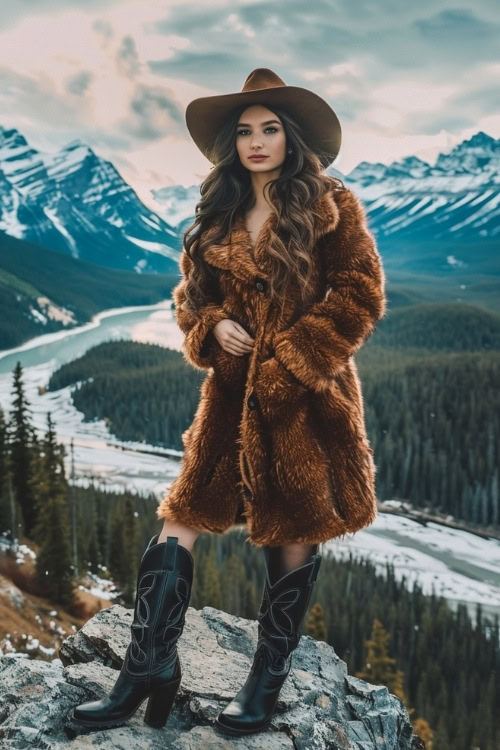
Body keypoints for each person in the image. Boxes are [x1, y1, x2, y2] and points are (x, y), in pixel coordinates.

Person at [71, 68, 387, 737]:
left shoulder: (332, 205)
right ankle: (147, 668)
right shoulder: (219, 209)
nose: (257, 142)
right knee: (180, 517)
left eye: (270, 128)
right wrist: (210, 325)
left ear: (292, 137)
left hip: (307, 397)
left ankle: (265, 681)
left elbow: (361, 293)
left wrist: (292, 360)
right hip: (228, 398)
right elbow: (190, 294)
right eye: (244, 131)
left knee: (294, 530)